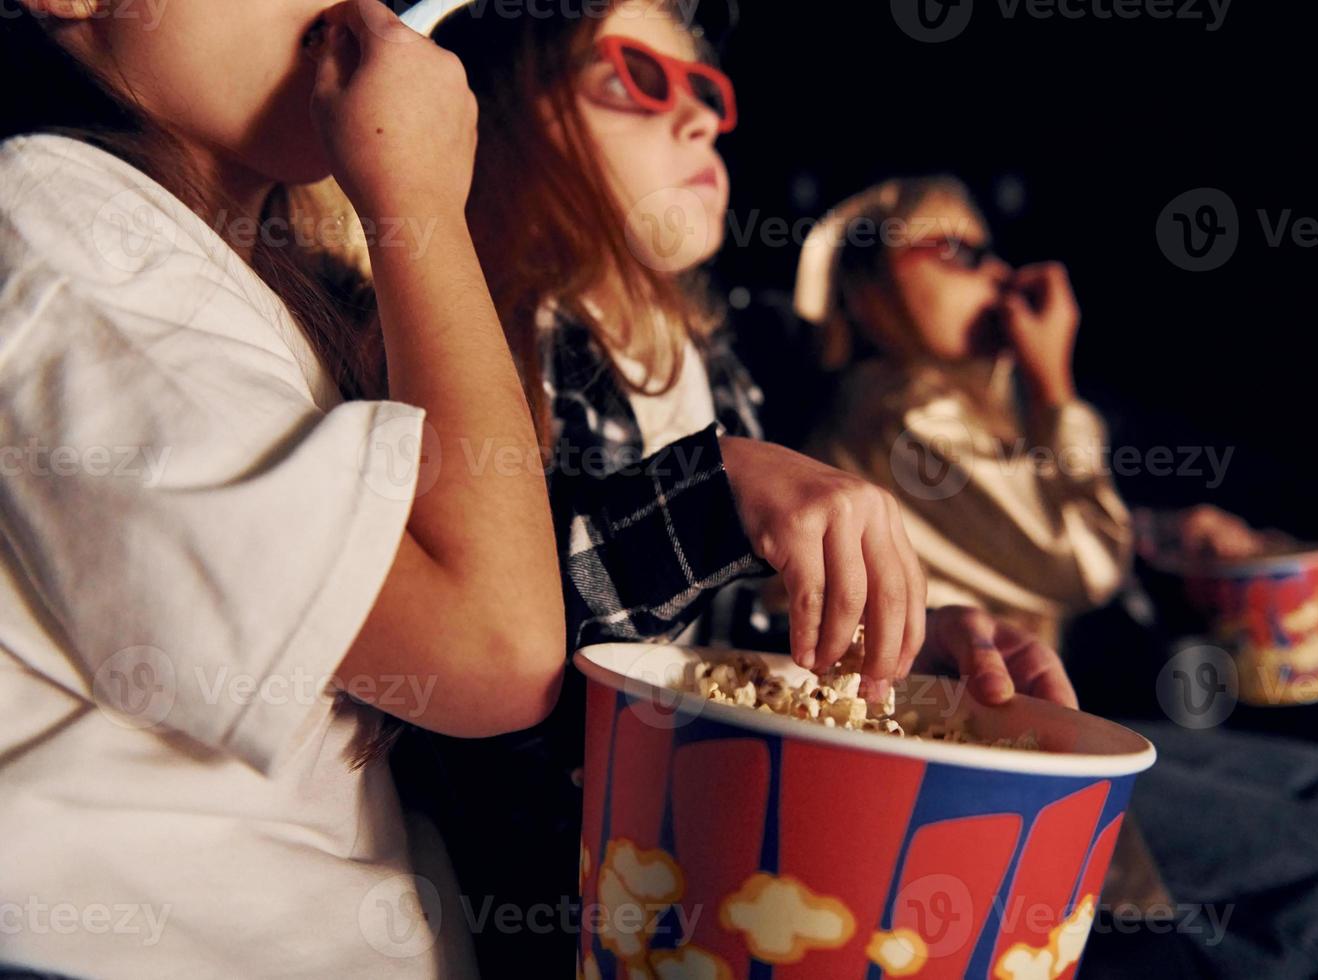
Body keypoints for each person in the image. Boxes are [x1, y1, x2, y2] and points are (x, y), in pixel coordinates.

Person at [417, 3, 1082, 972]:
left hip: (753, 843)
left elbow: (696, 646)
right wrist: (711, 490)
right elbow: (512, 667)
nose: (700, 119)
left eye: (705, 92)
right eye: (636, 78)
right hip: (604, 903)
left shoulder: (708, 362)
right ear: (497, 112)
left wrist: (882, 642)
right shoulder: (497, 351)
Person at [0, 1, 563, 975]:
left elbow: (440, 531)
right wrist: (419, 206)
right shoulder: (58, 233)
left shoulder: (226, 272)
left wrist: (708, 481)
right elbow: (496, 648)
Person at [791, 175, 1318, 978]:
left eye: (992, 250)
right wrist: (1054, 385)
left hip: (1030, 720)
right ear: (865, 298)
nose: (1000, 275)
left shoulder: (958, 406)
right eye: (956, 252)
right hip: (962, 754)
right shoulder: (898, 413)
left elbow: (1059, 526)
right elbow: (1086, 563)